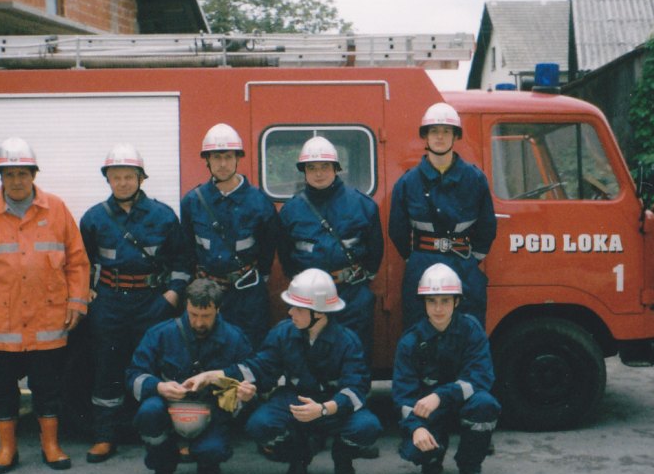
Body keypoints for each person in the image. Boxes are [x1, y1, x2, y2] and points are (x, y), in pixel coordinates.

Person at [0, 136, 89, 474]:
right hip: (2, 321)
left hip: (48, 319)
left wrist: (77, 302)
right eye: (9, 174)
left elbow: (77, 260)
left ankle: (51, 445)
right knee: (2, 389)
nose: (16, 181)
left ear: (34, 175)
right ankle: (7, 449)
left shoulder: (56, 209)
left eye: (22, 173)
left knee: (49, 387)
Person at [191, 269, 381, 474]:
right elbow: (260, 368)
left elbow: (356, 390)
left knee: (367, 426)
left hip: (333, 404)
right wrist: (213, 376)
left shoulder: (348, 341)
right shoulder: (283, 333)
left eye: (298, 308)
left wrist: (324, 409)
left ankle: (343, 457)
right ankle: (299, 457)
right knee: (259, 424)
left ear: (318, 313)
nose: (290, 312)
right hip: (296, 399)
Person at [79, 143, 191, 464]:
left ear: (141, 178)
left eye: (130, 176)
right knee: (107, 368)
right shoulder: (94, 218)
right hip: (110, 303)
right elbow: (80, 261)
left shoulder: (163, 216)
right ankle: (105, 436)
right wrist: (87, 290)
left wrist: (171, 295)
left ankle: (161, 433)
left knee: (158, 366)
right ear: (108, 180)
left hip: (152, 301)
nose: (123, 183)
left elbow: (183, 260)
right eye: (117, 177)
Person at [125, 279, 255, 474]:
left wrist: (245, 393)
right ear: (186, 306)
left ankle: (206, 458)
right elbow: (133, 375)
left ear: (218, 309)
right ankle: (163, 467)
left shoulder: (234, 338)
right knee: (149, 412)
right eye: (193, 314)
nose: (198, 323)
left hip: (211, 409)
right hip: (167, 405)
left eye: (206, 316)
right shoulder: (161, 334)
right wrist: (158, 387)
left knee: (213, 451)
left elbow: (250, 374)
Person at [391, 263, 500, 474]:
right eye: (432, 301)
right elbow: (403, 396)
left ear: (457, 302)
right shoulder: (410, 341)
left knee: (485, 404)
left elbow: (481, 377)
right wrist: (416, 428)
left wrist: (441, 395)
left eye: (445, 301)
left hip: (462, 404)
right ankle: (433, 455)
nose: (438, 308)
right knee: (416, 450)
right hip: (429, 413)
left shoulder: (471, 330)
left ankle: (470, 466)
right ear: (423, 303)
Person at [389, 102, 497, 329]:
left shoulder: (475, 180)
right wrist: (415, 257)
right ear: (425, 137)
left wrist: (471, 259)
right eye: (434, 131)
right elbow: (397, 230)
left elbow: (487, 228)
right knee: (420, 330)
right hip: (421, 264)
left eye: (446, 131)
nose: (440, 137)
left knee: (467, 331)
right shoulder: (408, 183)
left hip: (463, 265)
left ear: (455, 136)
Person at [278, 135, 383, 361]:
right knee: (311, 354)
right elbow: (285, 255)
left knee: (356, 352)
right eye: (312, 167)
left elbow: (375, 252)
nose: (318, 173)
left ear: (336, 168)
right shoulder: (291, 211)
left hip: (351, 292)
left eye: (325, 166)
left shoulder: (362, 205)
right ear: (303, 170)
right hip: (307, 299)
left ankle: (353, 396)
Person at [180, 123, 280, 348]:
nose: (223, 164)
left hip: (247, 293)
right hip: (207, 292)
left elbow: (269, 247)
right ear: (207, 160)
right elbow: (187, 249)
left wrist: (258, 277)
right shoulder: (192, 202)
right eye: (216, 157)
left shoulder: (259, 202)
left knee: (250, 347)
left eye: (228, 156)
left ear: (238, 158)